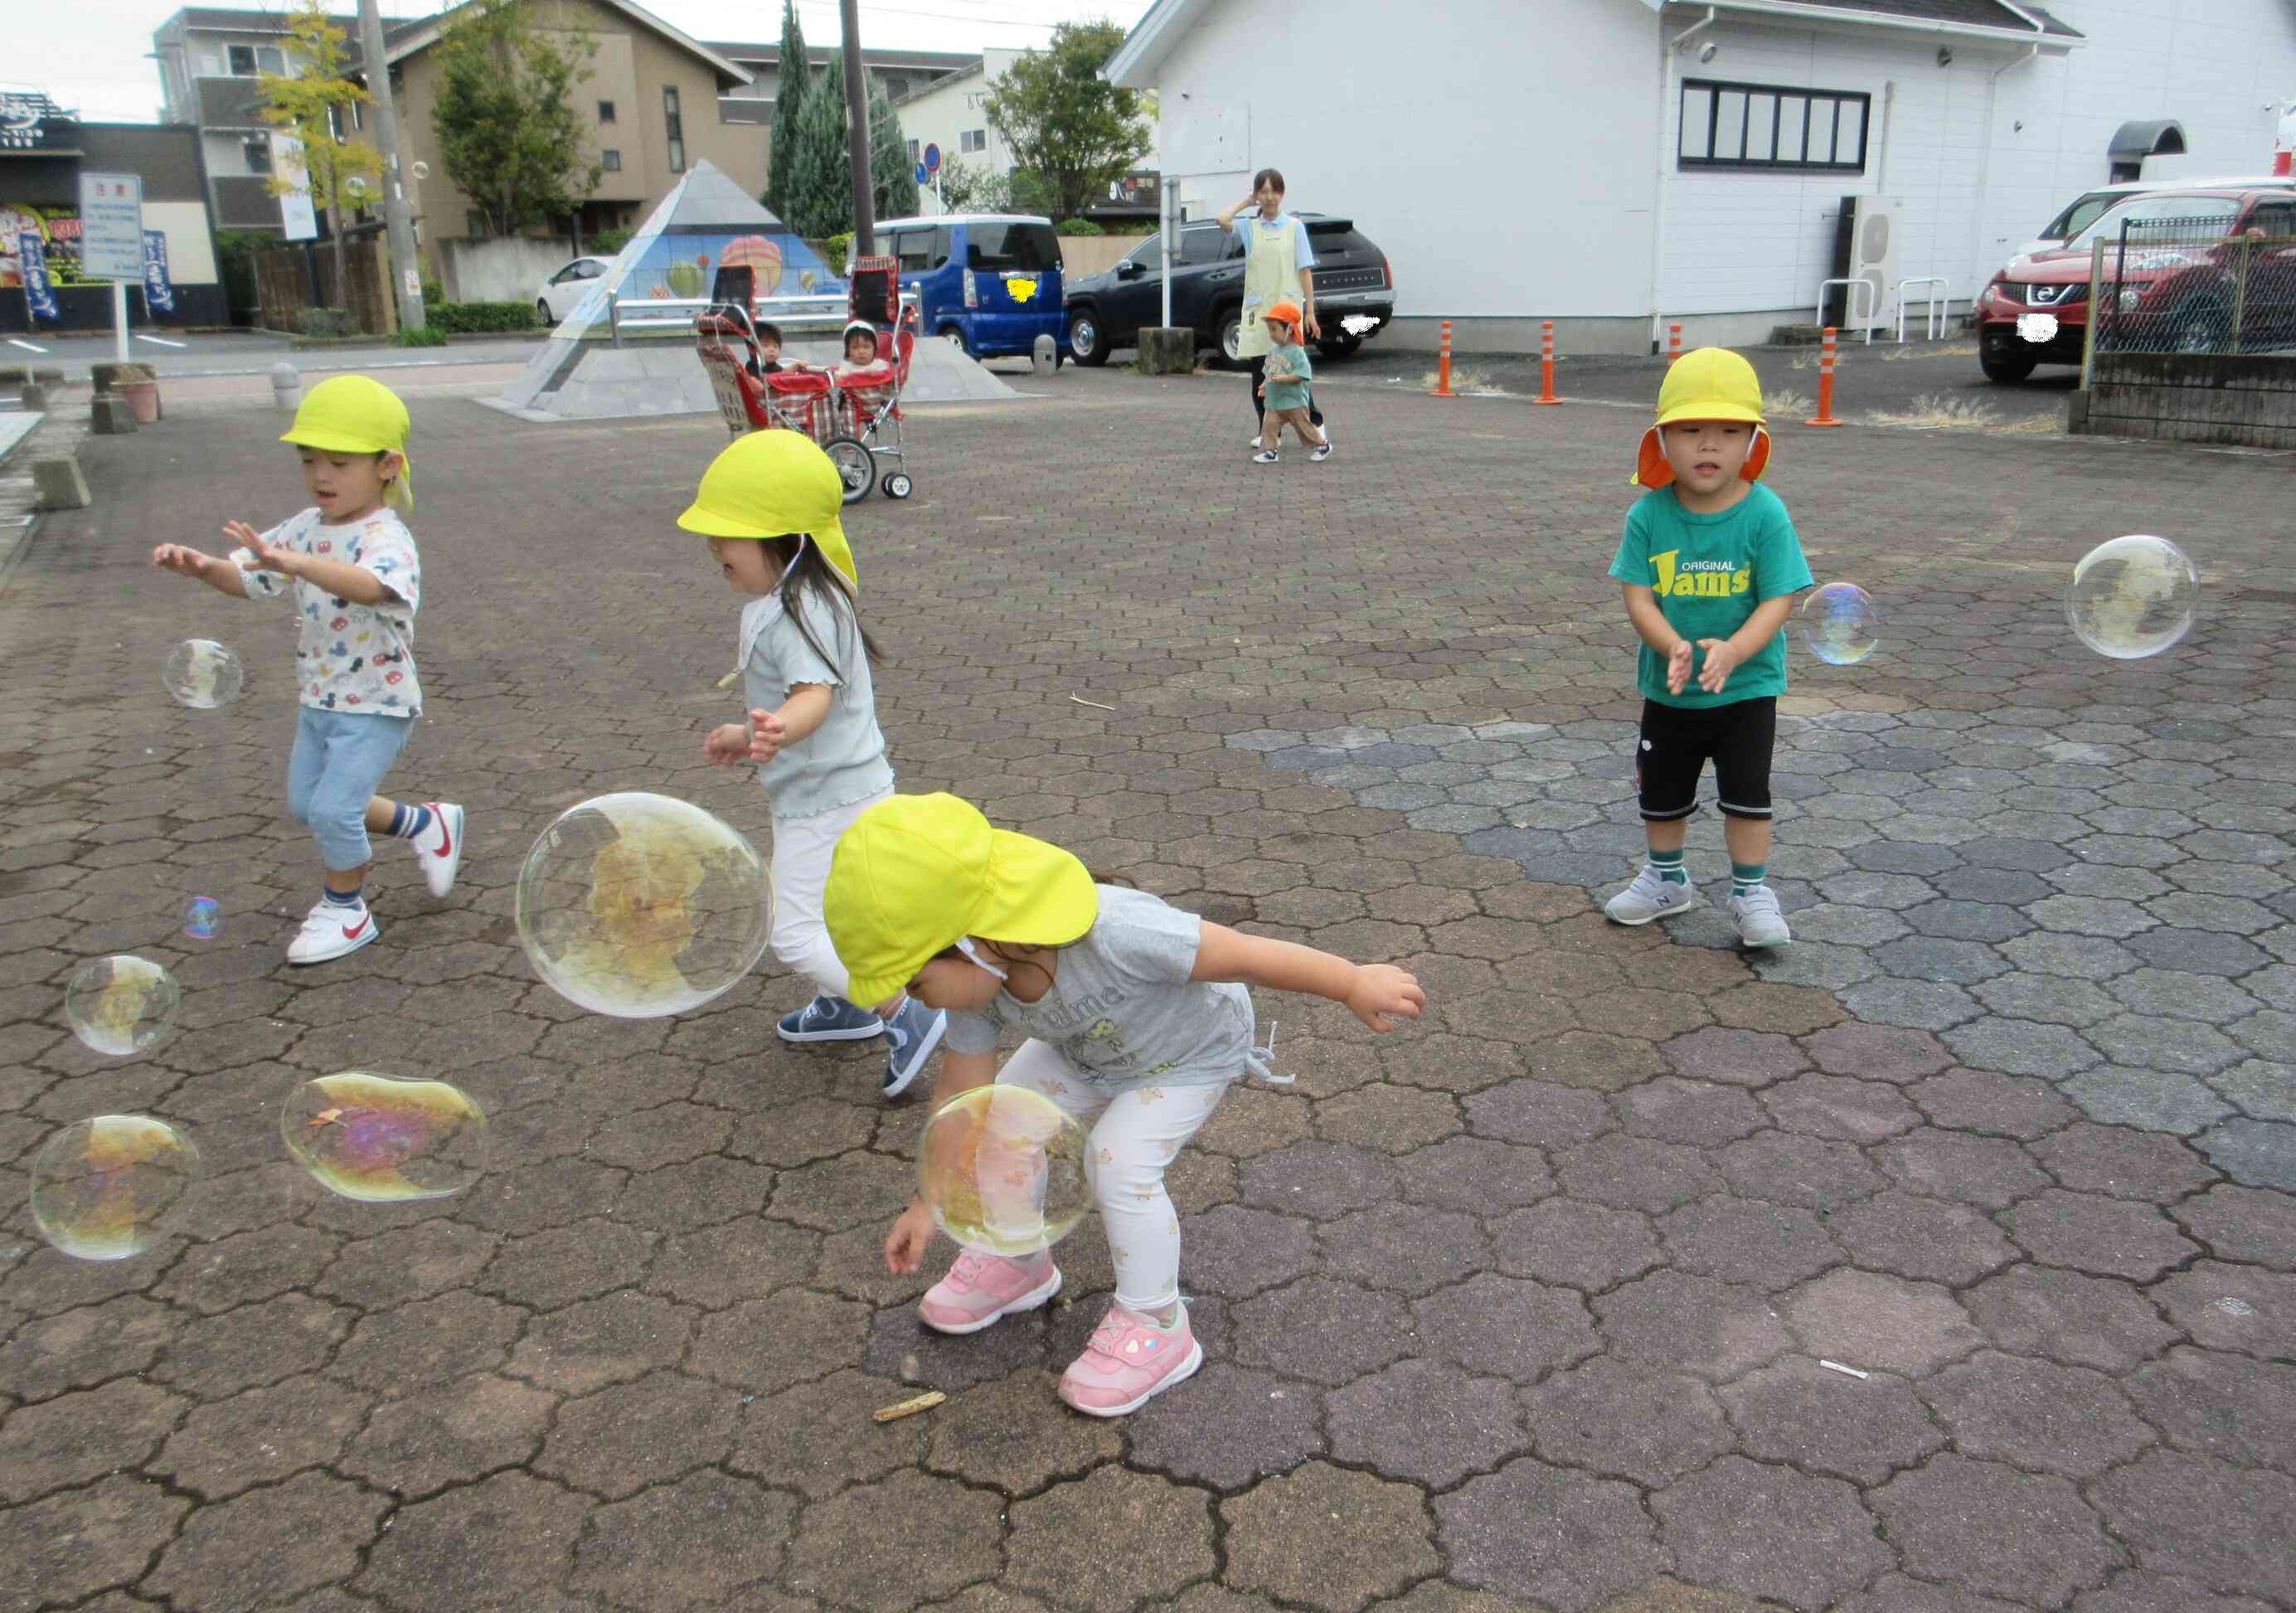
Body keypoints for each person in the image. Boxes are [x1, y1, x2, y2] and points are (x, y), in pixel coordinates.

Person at [823, 791, 1426, 1416]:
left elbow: (1247, 955)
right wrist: (931, 1199)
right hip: (1089, 1049)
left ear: (974, 940)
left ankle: (1157, 1324)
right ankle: (1016, 1260)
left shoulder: (1119, 932)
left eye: (916, 980)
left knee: (1116, 1160)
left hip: (1189, 1053)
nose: (916, 997)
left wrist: (1352, 980)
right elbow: (962, 1100)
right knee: (1002, 1117)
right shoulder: (976, 987)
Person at [150, 375, 464, 966]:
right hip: (321, 699)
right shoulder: (304, 527)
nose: (321, 475)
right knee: (307, 802)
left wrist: (298, 561)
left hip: (377, 700)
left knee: (332, 809)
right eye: (309, 460)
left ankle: (346, 910)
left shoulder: (385, 534)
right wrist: (201, 567)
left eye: (339, 462)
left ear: (387, 466)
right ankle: (426, 823)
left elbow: (374, 586)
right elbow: (248, 576)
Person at [683, 430, 946, 1097]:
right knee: (831, 906)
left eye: (728, 535)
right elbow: (794, 701)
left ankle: (899, 1008)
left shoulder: (799, 611)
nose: (714, 548)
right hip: (832, 788)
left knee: (794, 931)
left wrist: (775, 726)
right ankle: (846, 1002)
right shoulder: (793, 599)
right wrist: (749, 735)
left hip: (830, 799)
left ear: (787, 537)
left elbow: (814, 697)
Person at [1603, 347, 1813, 948]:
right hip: (1669, 690)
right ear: (1661, 439)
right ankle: (1667, 880)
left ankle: (1751, 891)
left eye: (1728, 431)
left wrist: (1735, 651)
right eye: (1689, 430)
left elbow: (1778, 600)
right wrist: (1673, 646)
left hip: (1747, 689)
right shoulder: (1647, 515)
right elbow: (1639, 598)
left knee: (1747, 796)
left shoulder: (1765, 514)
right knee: (1661, 794)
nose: (1708, 446)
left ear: (1752, 441)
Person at [1216, 168, 1330, 451]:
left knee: (1293, 371)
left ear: (1282, 194)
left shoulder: (1294, 228)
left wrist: (1310, 311)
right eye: (1262, 192)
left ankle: (1316, 425)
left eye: (1273, 191)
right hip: (1259, 313)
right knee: (1260, 374)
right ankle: (1268, 431)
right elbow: (1222, 219)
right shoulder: (1250, 228)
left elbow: (1305, 272)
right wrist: (1246, 202)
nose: (1268, 197)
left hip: (1287, 313)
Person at [1252, 300, 1331, 464]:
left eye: (1274, 329)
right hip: (1276, 402)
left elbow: (1303, 374)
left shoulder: (1297, 352)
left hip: (1294, 402)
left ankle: (1322, 445)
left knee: (1304, 428)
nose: (1271, 334)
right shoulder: (1273, 351)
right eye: (1269, 330)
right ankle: (1271, 452)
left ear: (1288, 328)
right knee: (1269, 424)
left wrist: (1284, 379)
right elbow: (1269, 372)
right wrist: (1265, 384)